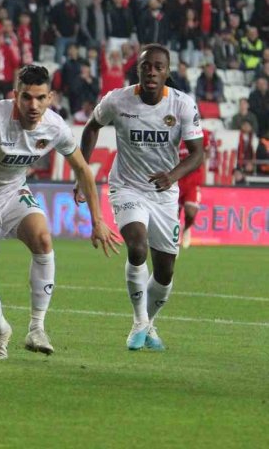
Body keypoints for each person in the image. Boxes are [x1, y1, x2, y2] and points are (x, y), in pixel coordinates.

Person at [0, 64, 119, 359]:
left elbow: (83, 169)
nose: (34, 105)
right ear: (15, 96)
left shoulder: (55, 127)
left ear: (50, 98)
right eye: (27, 97)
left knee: (43, 239)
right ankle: (1, 330)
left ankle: (37, 328)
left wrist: (98, 220)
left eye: (41, 98)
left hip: (12, 196)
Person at [79, 44, 204, 351]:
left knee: (165, 271)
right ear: (138, 69)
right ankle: (138, 321)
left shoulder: (182, 105)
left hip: (163, 194)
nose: (151, 72)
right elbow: (91, 128)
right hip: (127, 187)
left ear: (167, 72)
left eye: (158, 67)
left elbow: (198, 154)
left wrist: (172, 175)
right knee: (137, 247)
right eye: (146, 66)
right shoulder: (117, 99)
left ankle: (149, 323)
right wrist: (82, 174)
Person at [177, 129, 211, 249]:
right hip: (176, 178)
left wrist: (200, 164)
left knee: (190, 213)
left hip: (193, 179)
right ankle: (174, 238)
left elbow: (207, 152)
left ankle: (186, 228)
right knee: (173, 213)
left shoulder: (202, 133)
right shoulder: (173, 132)